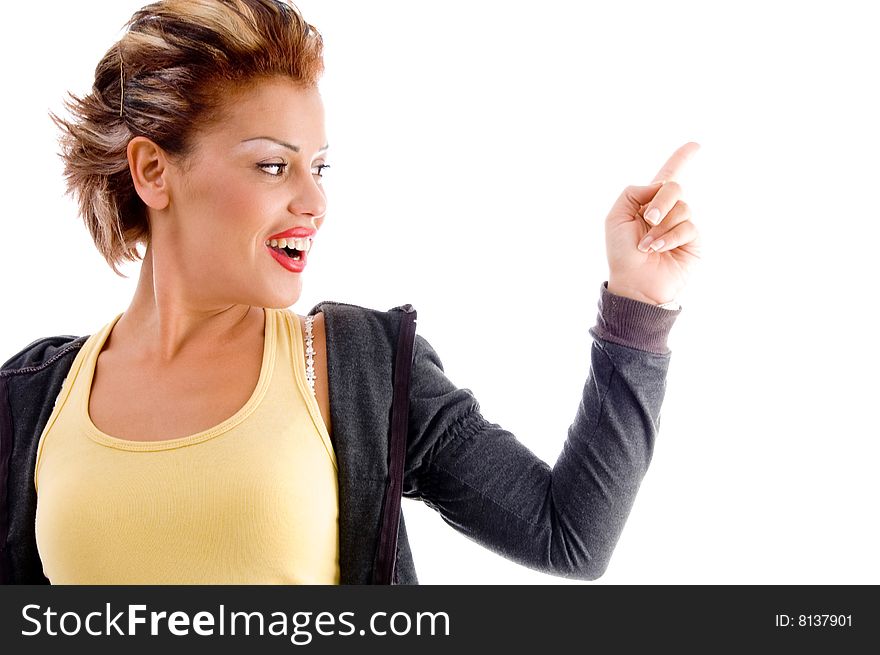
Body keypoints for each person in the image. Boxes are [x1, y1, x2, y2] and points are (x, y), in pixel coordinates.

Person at [0, 0, 700, 585]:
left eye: (320, 167)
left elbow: (569, 534)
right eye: (274, 165)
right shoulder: (34, 401)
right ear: (153, 170)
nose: (314, 201)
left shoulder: (355, 368)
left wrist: (638, 305)